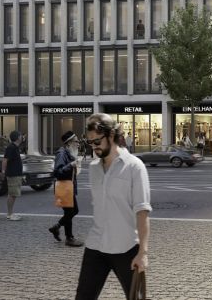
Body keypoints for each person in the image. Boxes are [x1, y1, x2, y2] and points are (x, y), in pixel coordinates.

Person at [74, 113, 151, 299]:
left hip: (126, 247)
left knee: (136, 298)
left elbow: (142, 212)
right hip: (96, 246)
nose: (94, 147)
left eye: (97, 141)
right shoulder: (93, 168)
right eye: (90, 143)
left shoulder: (134, 167)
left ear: (111, 136)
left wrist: (143, 253)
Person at [49, 130, 84, 247]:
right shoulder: (62, 153)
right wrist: (71, 165)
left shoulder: (69, 152)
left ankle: (58, 229)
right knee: (71, 211)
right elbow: (58, 172)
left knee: (72, 211)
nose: (78, 143)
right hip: (64, 187)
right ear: (69, 143)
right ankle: (69, 238)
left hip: (68, 186)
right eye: (76, 141)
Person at [2, 129, 25, 221]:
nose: (22, 137)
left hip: (16, 174)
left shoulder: (15, 147)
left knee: (14, 194)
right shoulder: (11, 147)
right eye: (21, 135)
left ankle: (11, 213)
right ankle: (9, 214)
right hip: (13, 175)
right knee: (12, 194)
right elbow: (5, 160)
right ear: (17, 137)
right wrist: (3, 172)